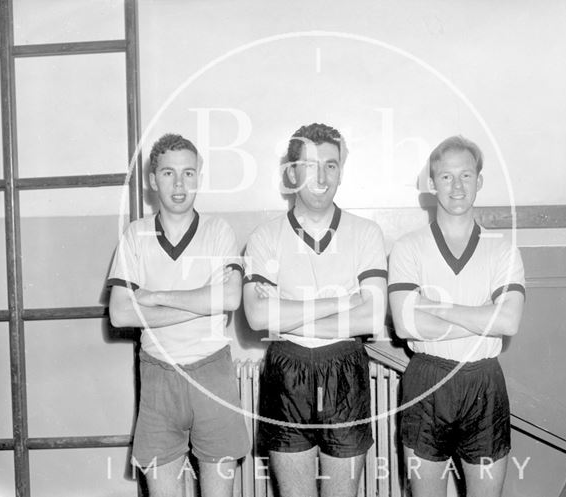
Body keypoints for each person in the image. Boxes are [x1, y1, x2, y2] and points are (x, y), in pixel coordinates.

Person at [243, 123, 387, 497]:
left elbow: (370, 318)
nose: (321, 177)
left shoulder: (366, 233)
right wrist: (340, 303)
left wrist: (286, 314)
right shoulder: (265, 236)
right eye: (309, 165)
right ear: (291, 172)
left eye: (331, 165)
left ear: (341, 171)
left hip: (345, 367)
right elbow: (258, 318)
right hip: (287, 369)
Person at [107, 133, 250, 497]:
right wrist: (202, 303)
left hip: (212, 373)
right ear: (153, 180)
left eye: (188, 173)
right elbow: (122, 314)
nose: (179, 184)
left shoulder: (219, 231)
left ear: (198, 177)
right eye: (169, 173)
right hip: (158, 377)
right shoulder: (135, 235)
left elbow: (230, 297)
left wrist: (154, 297)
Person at [388, 136, 525, 497]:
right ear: (432, 185)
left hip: (484, 383)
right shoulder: (408, 247)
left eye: (466, 175)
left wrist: (435, 307)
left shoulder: (502, 249)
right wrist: (482, 316)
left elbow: (508, 321)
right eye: (446, 177)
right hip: (427, 379)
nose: (457, 186)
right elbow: (406, 324)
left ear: (479, 181)